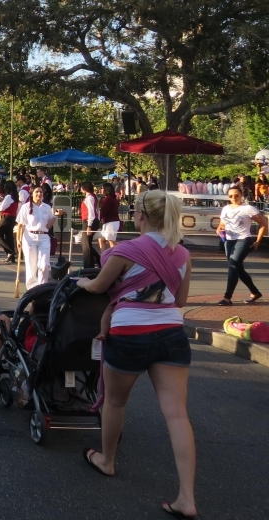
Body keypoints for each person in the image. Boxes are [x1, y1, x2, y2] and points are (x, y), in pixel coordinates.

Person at [77, 191, 197, 520]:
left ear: (140, 215)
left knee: (115, 402)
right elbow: (180, 300)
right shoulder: (182, 253)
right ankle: (187, 497)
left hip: (129, 331)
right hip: (171, 334)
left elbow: (100, 286)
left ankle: (107, 460)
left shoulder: (125, 251)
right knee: (177, 416)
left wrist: (84, 283)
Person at [215, 186, 266, 306]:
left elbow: (263, 223)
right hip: (229, 240)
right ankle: (255, 292)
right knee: (238, 269)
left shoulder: (248, 208)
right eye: (231, 196)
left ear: (241, 195)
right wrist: (219, 228)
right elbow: (222, 223)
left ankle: (227, 298)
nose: (234, 198)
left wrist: (258, 241)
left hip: (243, 239)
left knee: (233, 266)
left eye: (236, 195)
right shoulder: (226, 208)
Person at [15, 185, 57, 289]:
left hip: (44, 237)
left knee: (44, 265)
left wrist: (55, 216)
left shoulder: (47, 207)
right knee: (31, 265)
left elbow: (48, 226)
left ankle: (42, 287)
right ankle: (32, 288)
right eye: (37, 192)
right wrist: (18, 240)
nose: (39, 194)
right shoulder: (26, 207)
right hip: (29, 237)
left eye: (41, 192)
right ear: (32, 194)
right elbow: (20, 225)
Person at [0, 180, 18, 263]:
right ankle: (11, 257)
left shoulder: (8, 197)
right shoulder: (15, 197)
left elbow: (1, 208)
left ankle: (10, 251)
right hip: (12, 217)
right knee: (9, 236)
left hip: (6, 217)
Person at [79, 181, 101, 268]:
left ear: (85, 188)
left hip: (89, 221)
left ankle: (88, 266)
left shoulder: (90, 198)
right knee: (85, 243)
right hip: (89, 221)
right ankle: (98, 260)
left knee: (86, 245)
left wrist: (89, 226)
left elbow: (91, 212)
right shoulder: (90, 197)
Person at [98, 182, 121, 251]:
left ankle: (115, 255)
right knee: (101, 239)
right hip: (109, 222)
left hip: (111, 223)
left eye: (102, 188)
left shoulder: (108, 199)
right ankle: (104, 255)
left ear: (106, 189)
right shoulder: (112, 198)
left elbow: (104, 211)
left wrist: (97, 218)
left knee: (111, 241)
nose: (101, 190)